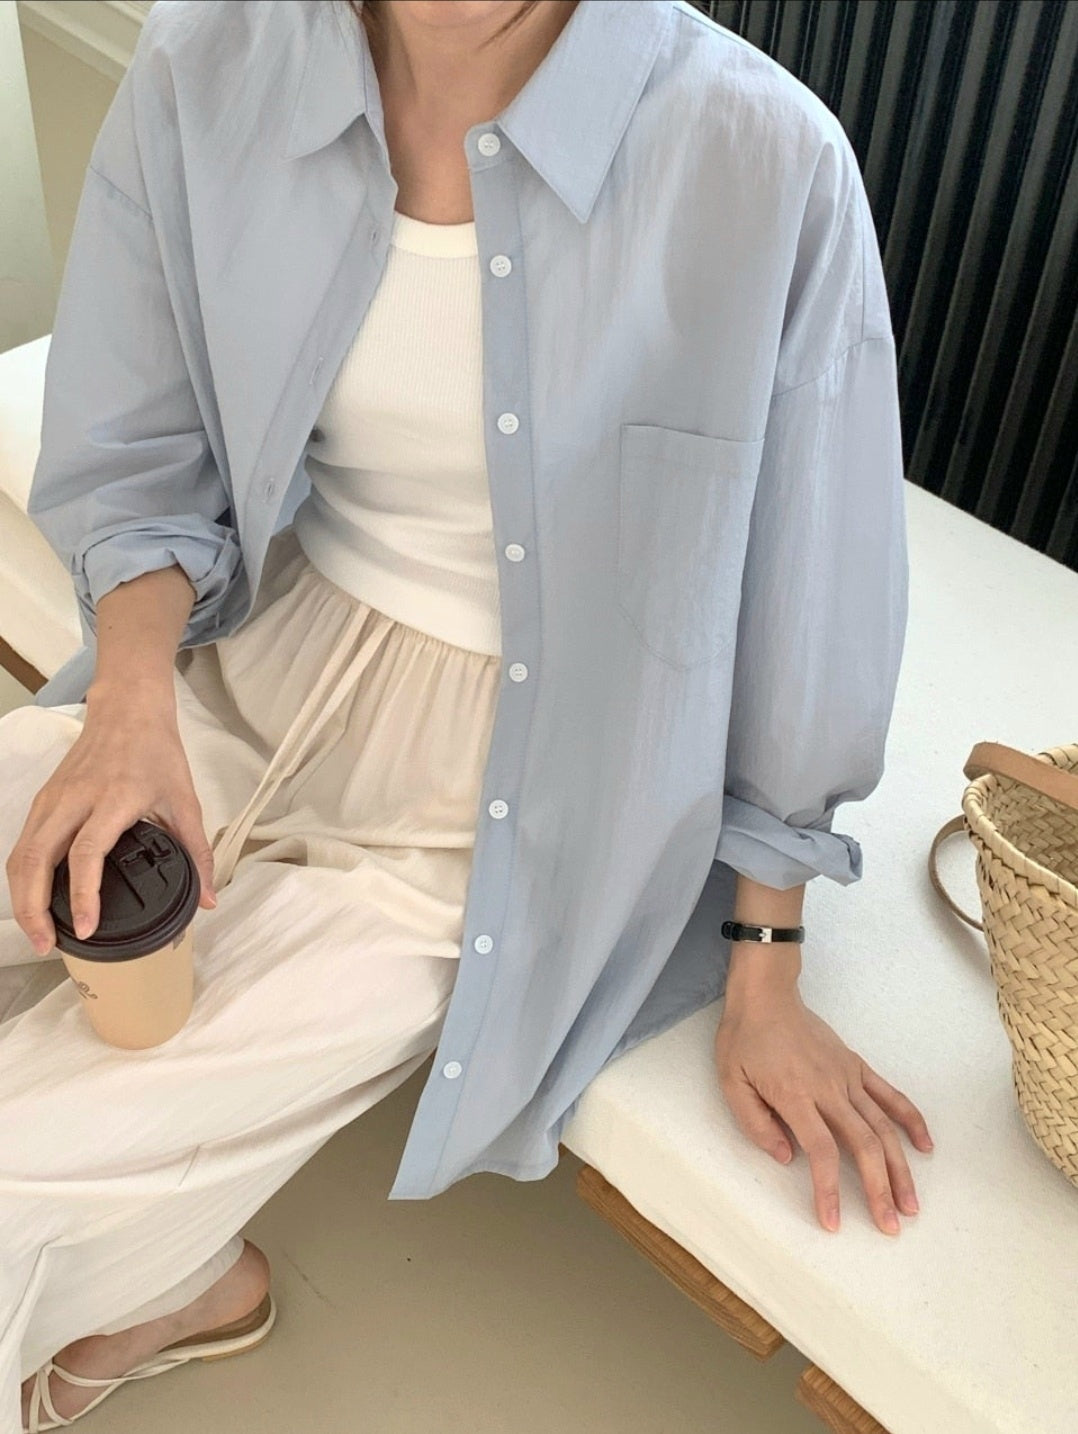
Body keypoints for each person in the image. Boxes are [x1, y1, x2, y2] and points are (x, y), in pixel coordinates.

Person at [2, 0, 934, 1428]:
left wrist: (765, 967)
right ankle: (179, 1271)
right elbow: (139, 434)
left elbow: (809, 600)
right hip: (236, 659)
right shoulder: (212, 60)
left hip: (510, 795)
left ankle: (174, 1277)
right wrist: (127, 704)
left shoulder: (761, 161)